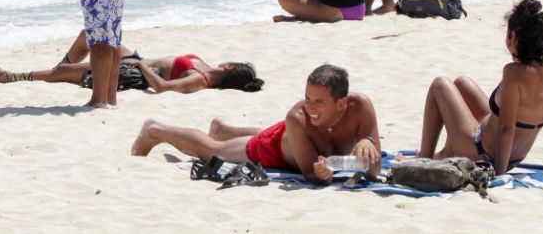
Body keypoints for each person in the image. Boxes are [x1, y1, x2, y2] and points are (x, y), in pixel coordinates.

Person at [414, 0, 543, 177]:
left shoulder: (513, 74)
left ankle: (424, 159)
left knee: (440, 84)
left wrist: (499, 174)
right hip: (511, 155)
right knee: (462, 83)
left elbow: (507, 129)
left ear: (514, 36)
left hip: (482, 151)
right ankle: (446, 153)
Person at [131, 64, 382, 184]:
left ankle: (223, 129)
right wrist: (320, 175)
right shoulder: (299, 117)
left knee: (282, 135)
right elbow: (307, 172)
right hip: (274, 150)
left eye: (319, 102)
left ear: (341, 103)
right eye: (307, 98)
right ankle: (156, 129)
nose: (310, 106)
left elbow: (374, 165)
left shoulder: (360, 107)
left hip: (292, 139)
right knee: (215, 151)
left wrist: (366, 139)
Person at [0, 30, 264, 94]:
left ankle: (9, 77)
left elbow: (163, 87)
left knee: (67, 70)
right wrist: (139, 61)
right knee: (90, 35)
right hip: (136, 61)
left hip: (133, 71)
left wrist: (140, 67)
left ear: (228, 68)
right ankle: (58, 73)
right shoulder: (205, 66)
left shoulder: (199, 79)